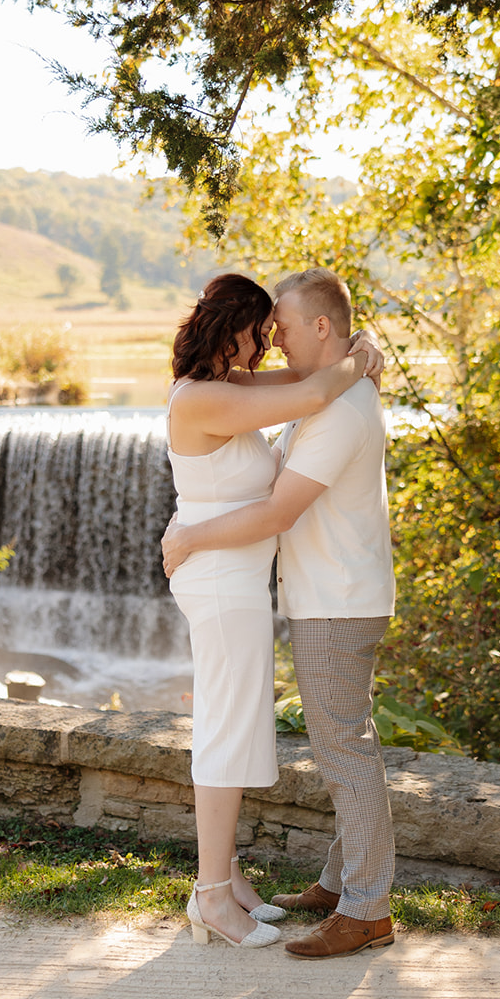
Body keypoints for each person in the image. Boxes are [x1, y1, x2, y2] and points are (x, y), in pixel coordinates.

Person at [163, 267, 398, 960]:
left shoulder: (334, 402)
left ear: (321, 327)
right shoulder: (237, 393)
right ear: (232, 331)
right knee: (336, 743)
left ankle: (363, 906)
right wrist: (361, 351)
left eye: (284, 329)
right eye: (262, 332)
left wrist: (188, 535)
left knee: (343, 747)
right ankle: (314, 885)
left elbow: (277, 508)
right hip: (279, 589)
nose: (271, 343)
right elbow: (314, 386)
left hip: (331, 598)